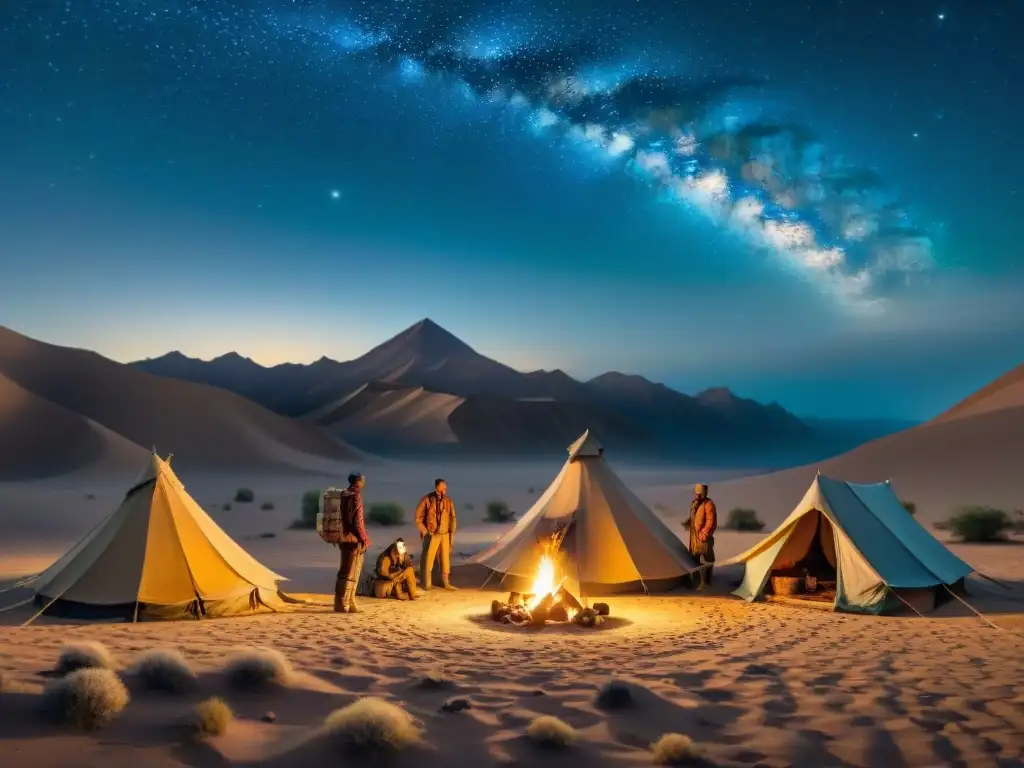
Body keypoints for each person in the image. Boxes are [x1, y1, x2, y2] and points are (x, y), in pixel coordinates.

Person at [335, 472, 371, 613]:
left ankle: (345, 603)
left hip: (344, 538)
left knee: (345, 570)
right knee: (351, 571)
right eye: (363, 480)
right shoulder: (355, 496)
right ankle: (344, 604)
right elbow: (358, 522)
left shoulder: (344, 494)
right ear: (359, 482)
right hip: (353, 540)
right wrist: (365, 539)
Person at [415, 478, 458, 591]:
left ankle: (446, 583)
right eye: (442, 486)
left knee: (445, 559)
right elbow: (418, 518)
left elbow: (453, 518)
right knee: (428, 558)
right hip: (432, 534)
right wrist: (425, 532)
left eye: (445, 486)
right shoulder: (427, 499)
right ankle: (426, 583)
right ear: (436, 487)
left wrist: (451, 533)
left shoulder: (448, 501)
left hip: (445, 534)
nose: (445, 488)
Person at [687, 483, 717, 590]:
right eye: (697, 492)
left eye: (701, 492)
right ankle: (696, 582)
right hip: (694, 538)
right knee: (694, 560)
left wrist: (704, 534)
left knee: (708, 559)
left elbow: (711, 521)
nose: (698, 495)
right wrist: (688, 523)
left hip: (703, 538)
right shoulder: (695, 503)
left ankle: (707, 581)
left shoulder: (708, 504)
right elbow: (693, 517)